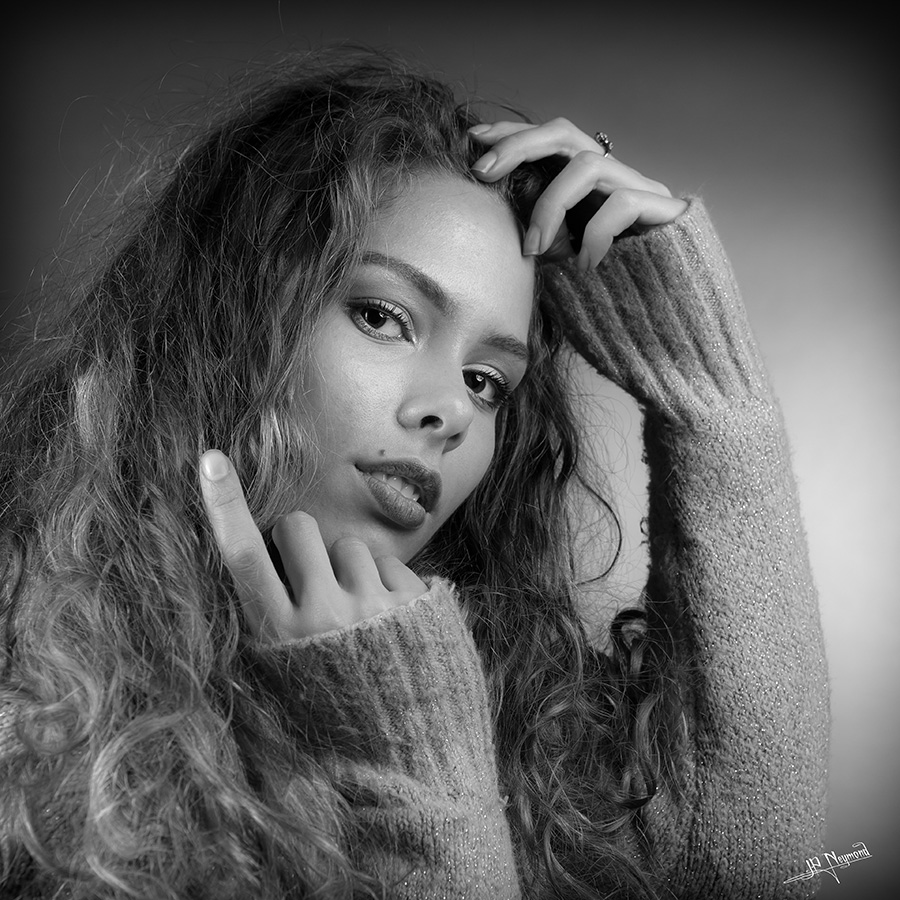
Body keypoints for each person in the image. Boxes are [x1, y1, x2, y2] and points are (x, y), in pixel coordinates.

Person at [0, 49, 829, 899]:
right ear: (228, 316)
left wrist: (713, 409)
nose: (453, 412)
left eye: (487, 380)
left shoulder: (516, 708)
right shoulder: (26, 707)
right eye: (382, 316)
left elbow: (750, 871)